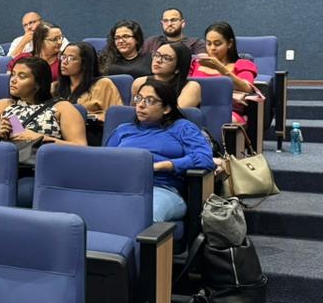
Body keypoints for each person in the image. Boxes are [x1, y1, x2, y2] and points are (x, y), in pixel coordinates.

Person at [0, 57, 86, 205]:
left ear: (38, 84)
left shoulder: (62, 107)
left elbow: (81, 148)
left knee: (24, 193)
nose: (13, 80)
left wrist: (39, 137)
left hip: (35, 171)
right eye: (13, 74)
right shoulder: (2, 105)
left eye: (22, 76)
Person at [106, 79, 215, 223]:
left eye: (150, 101)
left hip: (163, 189)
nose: (141, 105)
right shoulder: (122, 130)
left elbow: (204, 158)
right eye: (139, 98)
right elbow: (105, 162)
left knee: (143, 218)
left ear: (166, 108)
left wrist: (166, 165)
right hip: (124, 188)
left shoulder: (182, 128)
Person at [190, 21, 259, 123]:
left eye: (217, 44)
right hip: (195, 109)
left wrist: (220, 68)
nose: (212, 48)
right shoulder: (195, 64)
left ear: (230, 43)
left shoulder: (243, 64)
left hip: (228, 111)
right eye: (208, 43)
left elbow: (247, 89)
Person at [55, 43, 123, 121]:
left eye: (71, 58)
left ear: (85, 63)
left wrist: (90, 117)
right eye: (63, 57)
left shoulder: (103, 84)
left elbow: (116, 116)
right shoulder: (56, 87)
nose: (64, 62)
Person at [132, 43, 202, 109]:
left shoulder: (191, 87)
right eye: (157, 55)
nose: (158, 60)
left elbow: (177, 113)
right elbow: (133, 111)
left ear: (178, 67)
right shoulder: (140, 82)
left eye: (166, 58)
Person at [142, 8, 206, 56]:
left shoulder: (196, 44)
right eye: (165, 21)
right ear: (162, 23)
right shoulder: (152, 42)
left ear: (182, 23)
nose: (169, 24)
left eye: (173, 20)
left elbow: (203, 63)